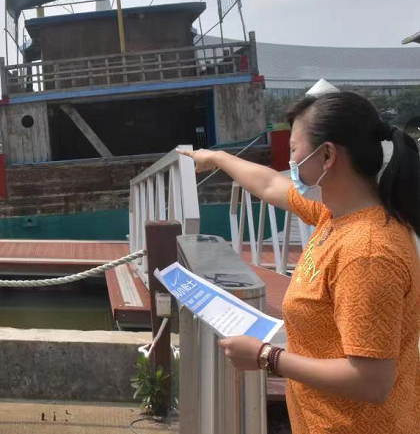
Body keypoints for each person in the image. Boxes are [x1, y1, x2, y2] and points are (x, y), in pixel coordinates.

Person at [178, 92, 420, 433]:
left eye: (294, 150)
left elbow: (372, 382)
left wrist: (266, 356)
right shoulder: (334, 215)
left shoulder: (366, 252)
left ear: (327, 155)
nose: (289, 162)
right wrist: (218, 158)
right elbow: (268, 183)